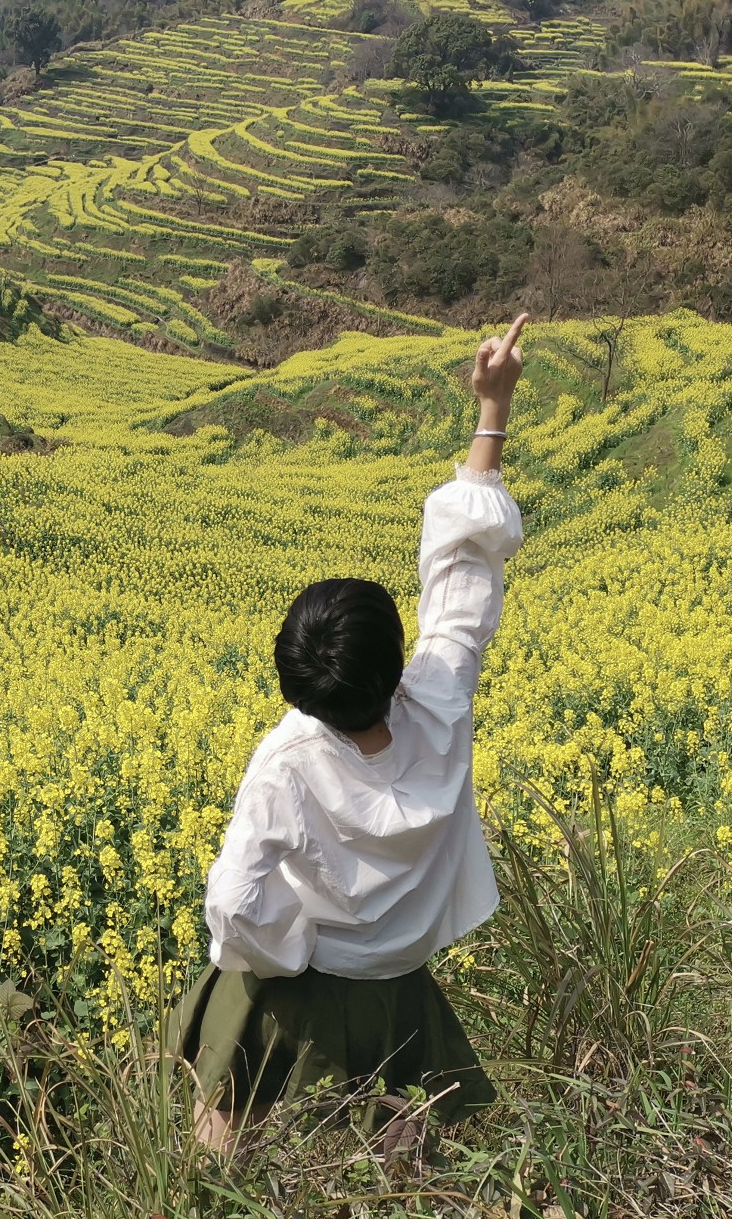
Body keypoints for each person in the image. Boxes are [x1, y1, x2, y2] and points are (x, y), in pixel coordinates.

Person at [168, 313, 530, 1145]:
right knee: (392, 1144)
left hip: (294, 981)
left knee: (228, 1123)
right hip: (396, 987)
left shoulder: (286, 762)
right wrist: (490, 410)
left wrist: (286, 949)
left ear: (298, 685)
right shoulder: (439, 704)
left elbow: (233, 901)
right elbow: (463, 578)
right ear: (398, 661)